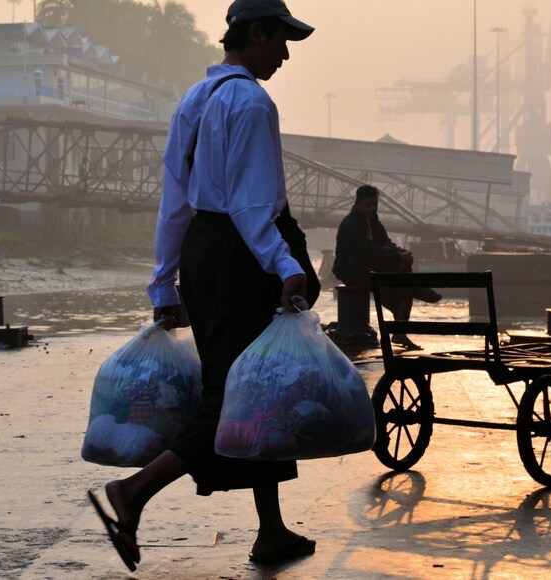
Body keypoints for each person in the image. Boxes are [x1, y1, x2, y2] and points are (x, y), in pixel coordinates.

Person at [87, 0, 318, 572]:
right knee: (238, 394)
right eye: (280, 41)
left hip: (203, 250)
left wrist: (164, 279)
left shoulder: (196, 98)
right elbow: (252, 202)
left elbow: (175, 201)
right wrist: (282, 263)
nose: (285, 55)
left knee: (252, 387)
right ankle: (133, 491)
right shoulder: (252, 102)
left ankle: (271, 530)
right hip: (242, 255)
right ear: (256, 33)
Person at [332, 184, 441, 349]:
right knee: (404, 289)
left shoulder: (372, 221)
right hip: (351, 269)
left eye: (374, 204)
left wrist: (401, 252)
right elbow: (368, 250)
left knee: (403, 289)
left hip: (368, 267)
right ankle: (416, 294)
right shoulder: (350, 224)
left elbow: (385, 243)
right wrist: (397, 256)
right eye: (368, 205)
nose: (372, 208)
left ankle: (401, 329)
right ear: (358, 203)